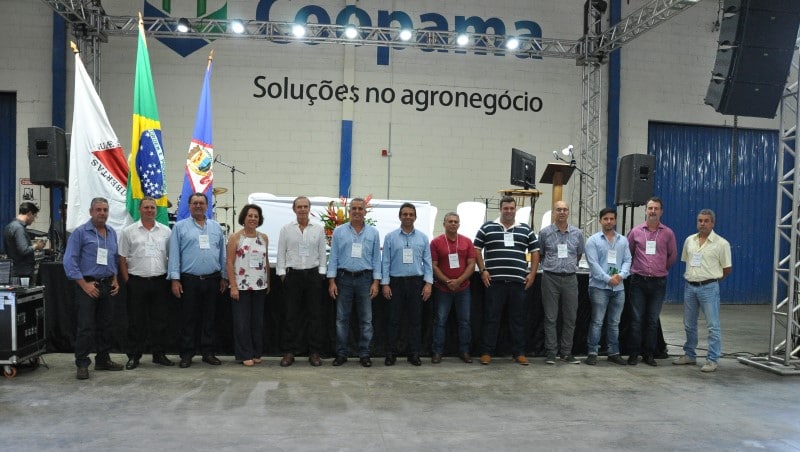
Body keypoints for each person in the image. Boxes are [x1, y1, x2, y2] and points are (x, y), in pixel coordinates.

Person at [474, 196, 539, 366]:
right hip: (494, 283)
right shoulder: (487, 227)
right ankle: (486, 352)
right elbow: (476, 249)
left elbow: (535, 251)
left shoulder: (525, 229)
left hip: (518, 283)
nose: (509, 211)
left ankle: (519, 353)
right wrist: (482, 270)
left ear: (515, 210)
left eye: (511, 208)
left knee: (517, 319)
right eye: (506, 208)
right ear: (500, 209)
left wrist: (532, 274)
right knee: (491, 318)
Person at [63, 197, 123, 380]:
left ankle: (103, 360)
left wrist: (115, 279)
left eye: (105, 210)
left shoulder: (111, 233)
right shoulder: (80, 233)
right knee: (86, 327)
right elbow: (69, 261)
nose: (102, 213)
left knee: (106, 325)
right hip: (87, 286)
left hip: (107, 285)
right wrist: (84, 285)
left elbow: (113, 258)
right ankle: (82, 363)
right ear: (91, 212)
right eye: (98, 210)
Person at [168, 192, 228, 368]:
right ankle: (187, 354)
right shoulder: (179, 227)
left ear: (207, 206)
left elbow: (222, 254)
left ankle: (208, 353)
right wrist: (175, 279)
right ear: (189, 206)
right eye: (195, 203)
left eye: (201, 203)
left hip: (212, 279)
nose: (198, 206)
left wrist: (224, 276)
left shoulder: (216, 227)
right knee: (188, 319)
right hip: (189, 280)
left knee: (209, 318)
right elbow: (174, 254)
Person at [118, 196, 174, 369]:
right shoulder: (128, 231)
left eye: (152, 207)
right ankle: (134, 356)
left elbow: (171, 256)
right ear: (140, 209)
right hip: (137, 282)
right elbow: (122, 258)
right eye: (146, 207)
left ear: (156, 210)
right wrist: (127, 281)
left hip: (160, 281)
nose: (150, 210)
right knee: (136, 321)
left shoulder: (166, 231)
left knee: (160, 321)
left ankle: (159, 354)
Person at [673, 209, 732, 372]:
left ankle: (712, 359)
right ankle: (689, 355)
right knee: (689, 324)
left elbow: (727, 268)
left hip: (709, 288)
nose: (702, 224)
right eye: (700, 221)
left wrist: (711, 280)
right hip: (690, 287)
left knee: (713, 325)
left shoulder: (722, 244)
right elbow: (687, 260)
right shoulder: (689, 241)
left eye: (706, 221)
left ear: (713, 223)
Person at [327, 197, 381, 368]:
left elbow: (376, 259)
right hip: (344, 278)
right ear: (349, 211)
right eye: (354, 208)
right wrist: (332, 281)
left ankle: (364, 354)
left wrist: (376, 282)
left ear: (365, 211)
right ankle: (341, 354)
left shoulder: (373, 233)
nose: (357, 211)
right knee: (341, 319)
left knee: (366, 320)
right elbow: (333, 257)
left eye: (360, 208)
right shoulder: (339, 231)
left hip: (365, 279)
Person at [276, 196, 328, 367]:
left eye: (305, 206)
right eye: (299, 207)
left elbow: (322, 252)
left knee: (315, 316)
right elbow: (281, 252)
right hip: (293, 276)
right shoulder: (286, 229)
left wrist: (321, 273)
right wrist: (282, 273)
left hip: (313, 276)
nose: (303, 209)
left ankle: (314, 352)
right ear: (294, 209)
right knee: (291, 315)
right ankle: (289, 352)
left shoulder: (318, 229)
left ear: (309, 208)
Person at [626, 196, 677, 366]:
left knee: (652, 320)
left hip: (658, 283)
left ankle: (649, 354)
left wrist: (659, 269)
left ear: (661, 212)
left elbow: (672, 256)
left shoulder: (668, 233)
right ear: (645, 210)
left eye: (656, 208)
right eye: (650, 208)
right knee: (636, 319)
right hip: (638, 282)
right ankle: (633, 353)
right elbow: (629, 254)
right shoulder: (635, 232)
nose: (653, 211)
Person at [381, 202, 433, 366]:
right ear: (400, 216)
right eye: (405, 214)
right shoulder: (390, 237)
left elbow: (428, 262)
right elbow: (385, 262)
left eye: (411, 214)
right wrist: (385, 283)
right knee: (393, 320)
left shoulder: (423, 238)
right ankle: (391, 353)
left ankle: (414, 353)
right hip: (395, 283)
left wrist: (428, 283)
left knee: (415, 320)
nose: (408, 217)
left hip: (416, 282)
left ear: (415, 217)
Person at [538, 200, 585, 364]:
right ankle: (551, 352)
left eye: (565, 209)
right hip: (550, 278)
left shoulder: (577, 233)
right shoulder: (544, 233)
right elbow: (541, 254)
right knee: (550, 317)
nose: (562, 212)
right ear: (553, 212)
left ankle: (566, 352)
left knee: (570, 318)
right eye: (559, 209)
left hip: (570, 279)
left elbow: (578, 254)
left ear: (568, 212)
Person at [583, 207, 631, 366]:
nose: (609, 221)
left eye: (611, 219)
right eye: (605, 219)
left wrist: (621, 275)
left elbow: (628, 260)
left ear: (615, 221)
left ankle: (613, 352)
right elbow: (593, 264)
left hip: (619, 288)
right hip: (599, 288)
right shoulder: (593, 241)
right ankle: (592, 352)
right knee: (597, 322)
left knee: (614, 322)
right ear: (600, 221)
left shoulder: (623, 240)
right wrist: (608, 279)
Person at [225, 204, 269, 367]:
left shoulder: (263, 238)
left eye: (256, 216)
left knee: (257, 322)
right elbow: (229, 262)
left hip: (260, 286)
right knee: (242, 322)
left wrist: (268, 282)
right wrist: (233, 286)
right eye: (250, 215)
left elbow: (266, 261)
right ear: (243, 217)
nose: (253, 219)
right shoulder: (235, 237)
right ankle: (245, 353)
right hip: (241, 287)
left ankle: (256, 352)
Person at [430, 212, 476, 364]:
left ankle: (465, 351)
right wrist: (447, 281)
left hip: (463, 289)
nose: (453, 224)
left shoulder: (467, 242)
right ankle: (437, 352)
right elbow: (433, 266)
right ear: (444, 224)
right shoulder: (436, 242)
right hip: (442, 289)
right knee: (440, 321)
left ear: (459, 224)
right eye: (450, 221)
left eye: (456, 221)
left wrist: (459, 281)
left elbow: (471, 264)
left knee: (465, 321)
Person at [4, 201, 45, 278]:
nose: (34, 220)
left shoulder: (9, 226)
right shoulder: (19, 228)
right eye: (34, 216)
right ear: (29, 214)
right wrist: (36, 246)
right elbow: (24, 250)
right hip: (23, 272)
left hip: (15, 269)